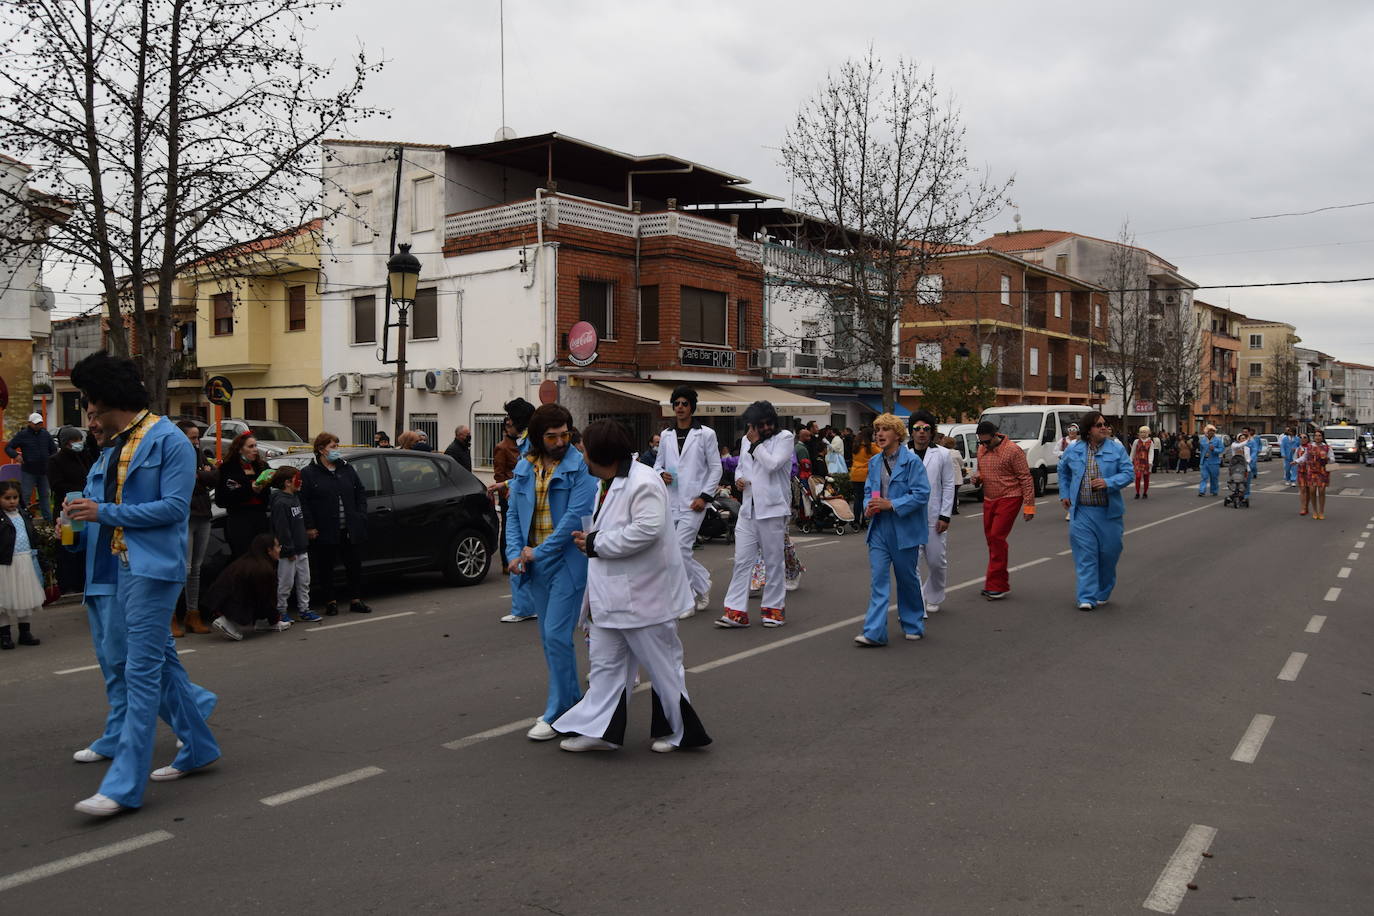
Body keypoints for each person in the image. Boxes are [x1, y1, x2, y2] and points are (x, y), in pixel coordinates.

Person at [63, 351, 220, 817]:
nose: (88, 414)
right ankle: (200, 746)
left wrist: (103, 513)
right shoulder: (116, 444)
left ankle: (124, 785)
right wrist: (80, 515)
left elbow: (174, 508)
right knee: (158, 663)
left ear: (107, 399)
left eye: (90, 403)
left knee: (141, 671)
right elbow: (102, 507)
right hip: (123, 569)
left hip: (155, 570)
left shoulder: (169, 439)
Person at [552, 419, 712, 753]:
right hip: (612, 597)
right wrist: (593, 540)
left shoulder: (643, 482)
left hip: (645, 597)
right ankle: (600, 731)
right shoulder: (607, 482)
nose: (583, 459)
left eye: (586, 453)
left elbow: (647, 529)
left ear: (604, 455)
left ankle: (681, 732)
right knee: (605, 666)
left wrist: (597, 543)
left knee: (663, 668)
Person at [505, 404, 598, 741]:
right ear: (537, 437)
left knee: (557, 636)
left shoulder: (581, 469)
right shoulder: (524, 467)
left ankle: (557, 710)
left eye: (565, 434)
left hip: (568, 564)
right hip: (535, 565)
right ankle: (572, 702)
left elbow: (574, 520)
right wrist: (515, 553)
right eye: (552, 436)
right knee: (549, 638)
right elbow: (514, 515)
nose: (561, 441)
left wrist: (537, 552)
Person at [853, 413, 929, 646]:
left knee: (907, 579)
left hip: (904, 528)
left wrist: (892, 504)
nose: (879, 434)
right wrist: (869, 506)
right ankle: (874, 632)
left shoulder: (912, 462)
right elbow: (869, 492)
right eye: (877, 430)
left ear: (897, 434)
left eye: (885, 429)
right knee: (878, 580)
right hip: (879, 528)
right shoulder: (875, 462)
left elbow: (922, 494)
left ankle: (913, 622)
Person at [717, 401, 795, 629]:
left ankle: (773, 610)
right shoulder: (745, 440)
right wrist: (739, 479)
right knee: (741, 561)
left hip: (772, 509)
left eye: (767, 424)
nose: (764, 428)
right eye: (759, 424)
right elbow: (741, 466)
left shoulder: (785, 439)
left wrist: (756, 443)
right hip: (748, 508)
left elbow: (772, 465)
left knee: (773, 561)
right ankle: (735, 612)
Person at [652, 385, 722, 619]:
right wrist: (661, 474)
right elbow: (657, 465)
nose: (680, 407)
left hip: (695, 502)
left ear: (692, 407)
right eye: (677, 403)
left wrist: (704, 496)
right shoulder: (666, 435)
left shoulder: (706, 434)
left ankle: (688, 599)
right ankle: (702, 585)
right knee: (672, 551)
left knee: (681, 549)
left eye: (684, 403)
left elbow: (715, 468)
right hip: (671, 501)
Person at [1058, 410, 1135, 611]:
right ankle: (1086, 597)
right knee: (1086, 555)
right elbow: (1063, 470)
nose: (1104, 428)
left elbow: (1128, 473)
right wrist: (1065, 493)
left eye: (1105, 424)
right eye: (1099, 425)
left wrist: (1108, 482)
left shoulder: (1116, 449)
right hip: (1082, 512)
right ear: (1088, 430)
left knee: (1109, 554)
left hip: (1109, 513)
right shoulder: (1074, 449)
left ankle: (1103, 591)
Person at [299, 432, 371, 616]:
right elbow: (304, 501)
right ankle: (330, 601)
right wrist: (310, 525)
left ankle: (355, 599)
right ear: (321, 449)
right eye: (333, 447)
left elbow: (360, 492)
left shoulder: (346, 469)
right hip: (324, 529)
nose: (336, 450)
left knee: (353, 565)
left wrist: (360, 515)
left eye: (337, 446)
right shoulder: (309, 473)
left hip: (349, 527)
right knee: (326, 567)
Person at [969, 419, 1035, 600]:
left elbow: (1025, 478)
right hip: (989, 498)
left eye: (987, 441)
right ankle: (998, 582)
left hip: (1010, 496)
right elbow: (983, 471)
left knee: (997, 537)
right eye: (980, 442)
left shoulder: (1013, 450)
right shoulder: (982, 449)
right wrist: (978, 478)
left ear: (996, 435)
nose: (983, 445)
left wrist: (1029, 506)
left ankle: (996, 585)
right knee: (991, 539)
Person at [493, 398, 536, 619]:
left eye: (510, 417)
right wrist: (506, 484)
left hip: (524, 505)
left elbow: (528, 473)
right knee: (519, 551)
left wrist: (510, 485)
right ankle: (525, 607)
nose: (508, 422)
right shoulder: (527, 442)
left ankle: (523, 609)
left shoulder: (530, 444)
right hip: (521, 502)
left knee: (519, 551)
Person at [909, 411, 955, 615]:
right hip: (909, 517)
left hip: (934, 517)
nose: (921, 433)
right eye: (917, 429)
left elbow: (948, 485)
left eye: (926, 429)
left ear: (932, 432)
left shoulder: (943, 454)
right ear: (911, 431)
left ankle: (934, 594)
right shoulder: (901, 453)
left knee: (937, 562)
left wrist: (945, 515)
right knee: (912, 565)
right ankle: (917, 603)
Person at [206, 533, 288, 640]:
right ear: (269, 550)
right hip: (229, 605)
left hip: (217, 601)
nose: (280, 549)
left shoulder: (248, 560)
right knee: (262, 596)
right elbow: (267, 598)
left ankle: (262, 621)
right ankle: (227, 621)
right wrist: (274, 618)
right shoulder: (263, 569)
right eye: (277, 546)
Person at [176, 420, 215, 636]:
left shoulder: (200, 455)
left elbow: (215, 477)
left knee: (196, 569)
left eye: (197, 437)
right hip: (186, 516)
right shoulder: (175, 458)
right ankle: (171, 615)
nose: (197, 441)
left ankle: (193, 614)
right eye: (192, 437)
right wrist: (203, 475)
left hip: (204, 515)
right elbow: (183, 483)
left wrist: (200, 475)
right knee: (185, 568)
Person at [0, 480, 45, 649]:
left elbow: (31, 534)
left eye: (15, 497)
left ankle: (25, 632)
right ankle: (4, 635)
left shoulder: (23, 514)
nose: (12, 501)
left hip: (24, 560)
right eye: (7, 498)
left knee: (24, 597)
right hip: (4, 563)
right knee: (3, 600)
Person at [270, 467, 318, 624]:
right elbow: (282, 529)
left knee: (304, 581)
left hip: (301, 548)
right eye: (297, 478)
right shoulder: (280, 502)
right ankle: (281, 611)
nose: (301, 481)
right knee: (286, 583)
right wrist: (289, 549)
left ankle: (304, 609)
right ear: (287, 482)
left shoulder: (295, 497)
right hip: (288, 552)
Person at [216, 431, 269, 560]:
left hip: (260, 518)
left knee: (262, 559)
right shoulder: (227, 468)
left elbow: (268, 494)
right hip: (239, 520)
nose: (255, 450)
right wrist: (250, 489)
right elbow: (222, 498)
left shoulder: (262, 466)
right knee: (243, 558)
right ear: (240, 449)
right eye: (250, 447)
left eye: (256, 446)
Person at [6, 412, 58, 521]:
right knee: (25, 496)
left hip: (44, 471)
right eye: (36, 423)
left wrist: (50, 461)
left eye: (40, 423)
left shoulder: (45, 434)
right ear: (29, 423)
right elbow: (9, 447)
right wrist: (16, 456)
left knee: (45, 497)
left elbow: (53, 450)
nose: (38, 425)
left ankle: (48, 521)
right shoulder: (22, 434)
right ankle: (22, 519)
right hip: (28, 471)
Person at [848, 426, 878, 529]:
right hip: (866, 475)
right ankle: (865, 520)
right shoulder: (871, 446)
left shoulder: (856, 445)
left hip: (855, 474)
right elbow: (883, 453)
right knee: (869, 497)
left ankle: (856, 520)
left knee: (858, 499)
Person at [1298, 430, 1331, 519]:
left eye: (1319, 435)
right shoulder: (1309, 447)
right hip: (1312, 472)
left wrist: (1327, 457)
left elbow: (1333, 459)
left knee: (1321, 491)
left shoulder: (1327, 447)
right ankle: (1315, 511)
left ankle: (1321, 512)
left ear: (1322, 437)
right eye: (1316, 435)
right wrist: (1296, 461)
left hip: (1323, 472)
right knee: (1312, 491)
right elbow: (1304, 457)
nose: (1317, 437)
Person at [1196, 424, 1225, 497]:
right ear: (1207, 432)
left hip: (1214, 462)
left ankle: (1214, 490)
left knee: (1214, 477)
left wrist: (1214, 449)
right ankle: (1202, 491)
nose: (1211, 432)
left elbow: (1221, 449)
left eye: (1213, 431)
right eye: (1210, 431)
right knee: (1204, 477)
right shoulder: (1203, 440)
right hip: (1205, 461)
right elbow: (1201, 449)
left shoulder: (1217, 440)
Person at [941, 435, 964, 516]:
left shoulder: (941, 452)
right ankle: (954, 509)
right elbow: (961, 463)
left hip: (945, 477)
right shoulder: (956, 452)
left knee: (945, 494)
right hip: (956, 477)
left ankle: (945, 509)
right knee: (954, 495)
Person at [1132, 425, 1155, 499]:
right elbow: (1133, 452)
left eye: (1144, 432)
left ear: (1148, 433)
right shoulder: (1136, 441)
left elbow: (1151, 452)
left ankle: (1145, 492)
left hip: (1146, 462)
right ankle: (1137, 492)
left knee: (1146, 478)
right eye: (1141, 432)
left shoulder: (1150, 442)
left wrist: (1150, 462)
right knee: (1138, 477)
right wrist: (1130, 460)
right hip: (1138, 461)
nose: (1142, 434)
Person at [1243, 426, 1261, 499]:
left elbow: (1254, 451)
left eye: (1246, 432)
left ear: (1249, 432)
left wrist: (1250, 459)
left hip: (1249, 462)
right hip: (1240, 462)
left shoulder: (1252, 441)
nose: (1244, 433)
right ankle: (1240, 492)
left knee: (1247, 479)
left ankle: (1246, 494)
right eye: (1243, 432)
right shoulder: (1241, 439)